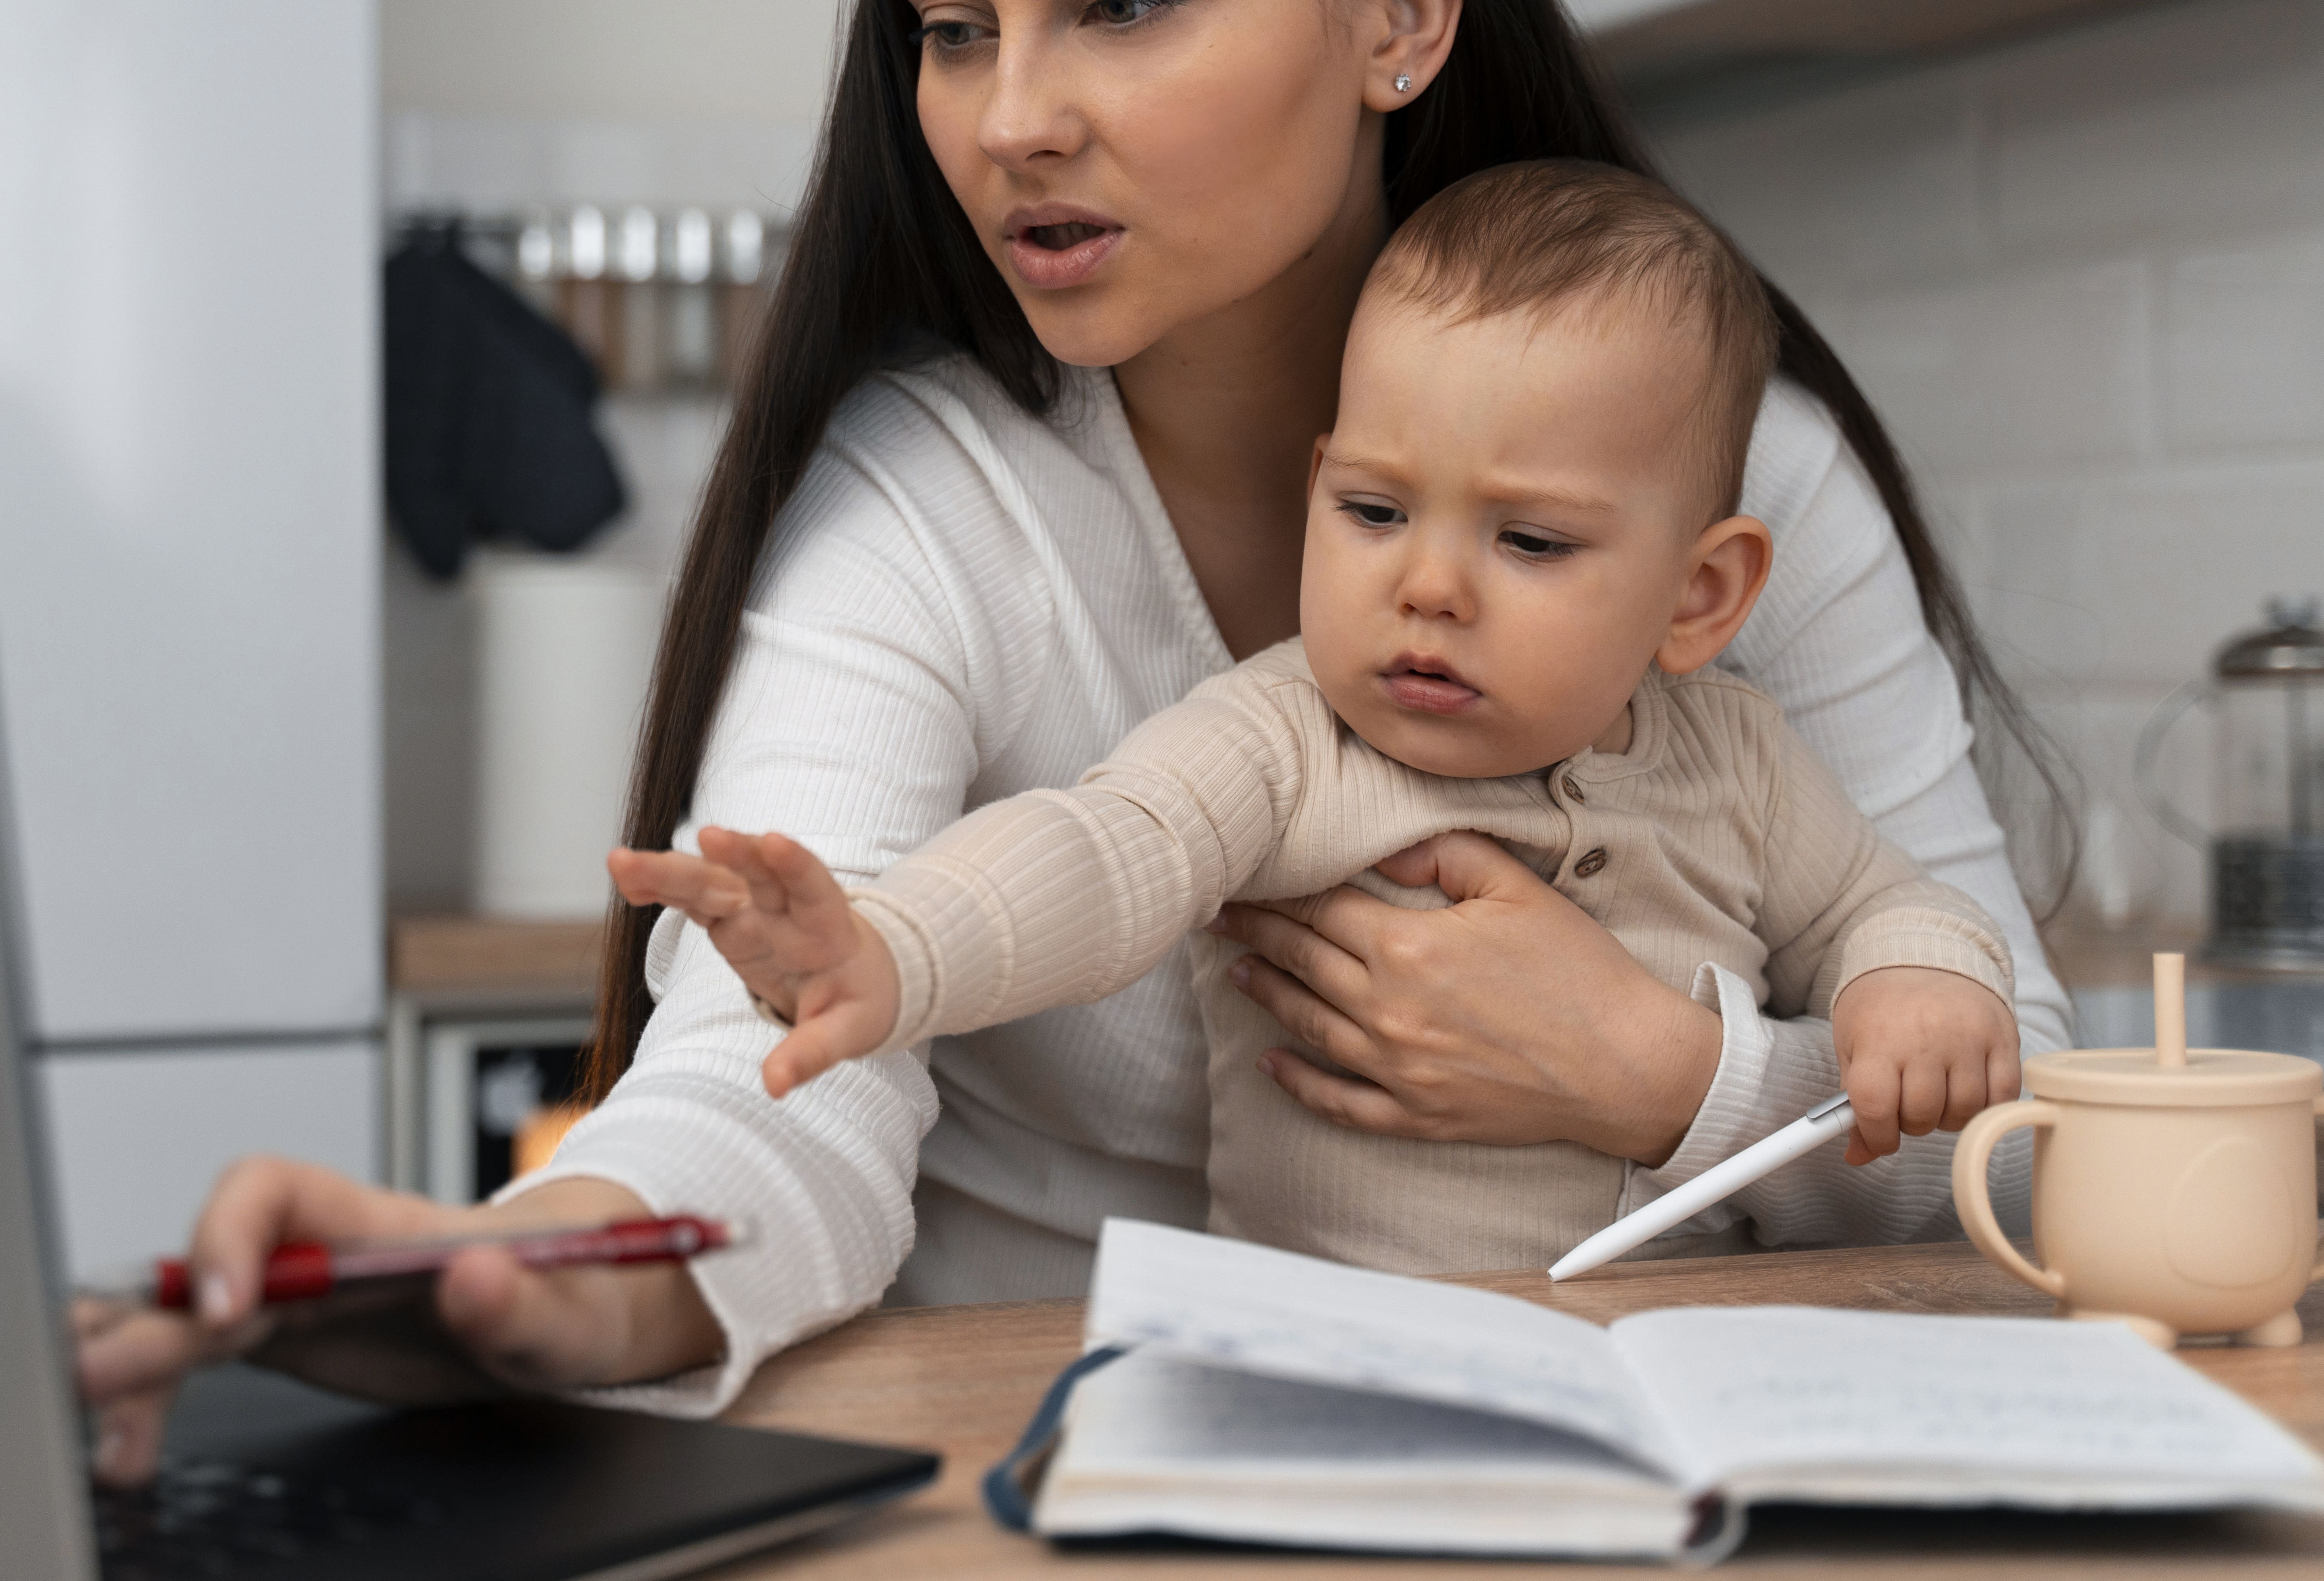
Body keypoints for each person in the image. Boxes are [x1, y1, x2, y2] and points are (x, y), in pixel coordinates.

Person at [76, 0, 2073, 1482]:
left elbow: (2034, 1142)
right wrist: (517, 1275)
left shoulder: (1736, 478)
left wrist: (1667, 1079)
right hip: (1048, 1473)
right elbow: (771, 1066)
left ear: (1397, 16)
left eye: (1119, 4)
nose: (1008, 117)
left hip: (1612, 1462)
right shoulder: (928, 504)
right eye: (953, 27)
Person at [611, 160, 2023, 1277]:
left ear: (1699, 596)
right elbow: (1102, 853)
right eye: (1372, 511)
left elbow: (1884, 904)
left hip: (1683, 1373)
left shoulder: (1741, 760)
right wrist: (890, 951)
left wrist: (1916, 984)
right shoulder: (1286, 737)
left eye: (1529, 541)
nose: (1427, 587)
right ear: (1317, 489)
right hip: (1339, 1361)